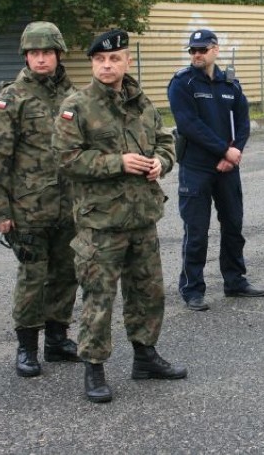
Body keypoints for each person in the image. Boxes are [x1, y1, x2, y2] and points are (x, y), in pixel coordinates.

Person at [52, 29, 186, 403]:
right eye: (100, 60)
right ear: (93, 63)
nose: (107, 65)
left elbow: (165, 141)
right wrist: (118, 162)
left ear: (127, 61)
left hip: (143, 216)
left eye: (114, 59)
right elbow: (65, 160)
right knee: (99, 297)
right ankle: (94, 369)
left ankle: (145, 357)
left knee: (147, 292)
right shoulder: (77, 106)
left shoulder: (142, 103)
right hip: (101, 222)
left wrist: (161, 162)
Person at [0, 21, 80, 377]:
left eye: (48, 52)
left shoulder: (74, 96)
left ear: (58, 54)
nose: (41, 59)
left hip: (69, 206)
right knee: (32, 277)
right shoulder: (13, 98)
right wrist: (0, 209)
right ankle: (26, 348)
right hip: (29, 208)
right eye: (35, 53)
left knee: (67, 272)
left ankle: (58, 340)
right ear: (26, 56)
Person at [167, 29, 264, 312]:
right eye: (193, 50)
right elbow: (189, 125)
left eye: (202, 49)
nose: (197, 54)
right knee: (196, 230)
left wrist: (233, 155)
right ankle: (192, 289)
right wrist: (224, 150)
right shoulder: (182, 83)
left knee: (233, 226)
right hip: (196, 167)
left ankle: (235, 281)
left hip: (227, 169)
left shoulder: (230, 85)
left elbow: (243, 123)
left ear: (215, 50)